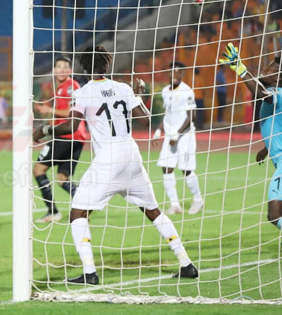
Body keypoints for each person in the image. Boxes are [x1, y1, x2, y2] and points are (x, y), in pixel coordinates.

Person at [34, 46, 198, 284]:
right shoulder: (123, 88)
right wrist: (138, 95)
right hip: (131, 155)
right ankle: (186, 263)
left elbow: (70, 126)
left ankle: (89, 273)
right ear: (107, 65)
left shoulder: (84, 92)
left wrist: (43, 130)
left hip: (108, 158)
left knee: (77, 212)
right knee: (153, 211)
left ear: (83, 67)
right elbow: (145, 120)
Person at [219, 44, 282, 265]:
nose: (265, 70)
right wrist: (268, 147)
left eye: (271, 69)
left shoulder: (278, 94)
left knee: (275, 215)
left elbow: (262, 94)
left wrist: (240, 68)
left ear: (279, 77)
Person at [32, 56, 89, 223]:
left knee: (38, 169)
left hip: (68, 136)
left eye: (65, 67)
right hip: (75, 137)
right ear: (54, 70)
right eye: (59, 66)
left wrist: (49, 109)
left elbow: (72, 113)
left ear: (70, 71)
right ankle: (85, 206)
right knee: (62, 179)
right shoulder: (60, 89)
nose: (62, 69)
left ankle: (53, 212)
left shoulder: (71, 86)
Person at [152, 62, 204, 215]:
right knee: (166, 167)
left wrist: (177, 134)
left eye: (177, 72)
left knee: (186, 169)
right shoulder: (165, 91)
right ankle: (174, 204)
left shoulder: (187, 91)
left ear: (182, 74)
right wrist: (158, 131)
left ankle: (198, 200)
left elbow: (192, 116)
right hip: (170, 136)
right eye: (171, 72)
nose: (174, 75)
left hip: (185, 136)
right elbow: (167, 113)